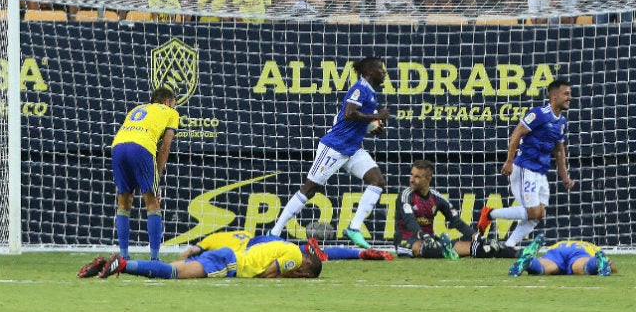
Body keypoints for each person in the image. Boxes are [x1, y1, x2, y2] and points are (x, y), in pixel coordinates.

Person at [269, 57, 390, 249]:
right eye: (380, 68)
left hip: (353, 149)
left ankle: (354, 228)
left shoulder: (372, 94)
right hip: (334, 147)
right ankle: (274, 232)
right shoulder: (360, 89)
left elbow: (356, 122)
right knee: (309, 189)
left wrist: (372, 127)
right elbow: (349, 114)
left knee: (378, 181)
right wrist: (376, 116)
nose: (384, 71)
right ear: (369, 72)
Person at [478, 80, 576, 248]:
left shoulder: (562, 123)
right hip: (525, 168)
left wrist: (565, 177)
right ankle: (490, 214)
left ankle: (508, 245)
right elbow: (517, 133)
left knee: (539, 215)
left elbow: (559, 151)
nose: (570, 98)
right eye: (566, 94)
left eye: (570, 94)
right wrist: (509, 161)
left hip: (541, 172)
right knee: (532, 212)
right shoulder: (539, 114)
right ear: (554, 96)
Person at [395, 160, 519, 259]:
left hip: (431, 240)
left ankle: (515, 252)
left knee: (479, 247)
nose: (412, 179)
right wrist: (424, 236)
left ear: (428, 178)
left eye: (417, 176)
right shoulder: (406, 195)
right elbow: (409, 220)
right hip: (406, 240)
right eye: (411, 175)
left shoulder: (436, 198)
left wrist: (476, 236)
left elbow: (456, 221)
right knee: (427, 248)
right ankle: (443, 249)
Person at [111, 87, 179, 261]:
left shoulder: (137, 109)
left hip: (118, 146)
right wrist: (158, 176)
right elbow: (165, 147)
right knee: (152, 201)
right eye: (174, 103)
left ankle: (124, 257)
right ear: (166, 102)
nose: (175, 107)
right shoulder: (171, 113)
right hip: (141, 147)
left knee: (124, 201)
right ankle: (155, 259)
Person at [78, 239, 322, 279]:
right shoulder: (293, 255)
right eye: (304, 273)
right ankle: (120, 264)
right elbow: (268, 274)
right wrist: (287, 276)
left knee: (166, 269)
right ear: (307, 264)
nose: (299, 274)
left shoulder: (283, 245)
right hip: (228, 264)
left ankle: (117, 264)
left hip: (227, 255)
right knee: (174, 274)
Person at [178, 230, 394, 262]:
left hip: (256, 249)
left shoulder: (208, 241)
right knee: (305, 255)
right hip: (263, 240)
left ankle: (307, 250)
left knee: (281, 260)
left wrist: (180, 263)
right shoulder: (235, 233)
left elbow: (191, 251)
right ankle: (360, 252)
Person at [508, 234, 616, 277]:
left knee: (546, 267)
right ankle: (597, 262)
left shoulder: (562, 242)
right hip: (578, 252)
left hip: (556, 249)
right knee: (582, 266)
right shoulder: (592, 247)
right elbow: (612, 266)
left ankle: (529, 262)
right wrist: (610, 266)